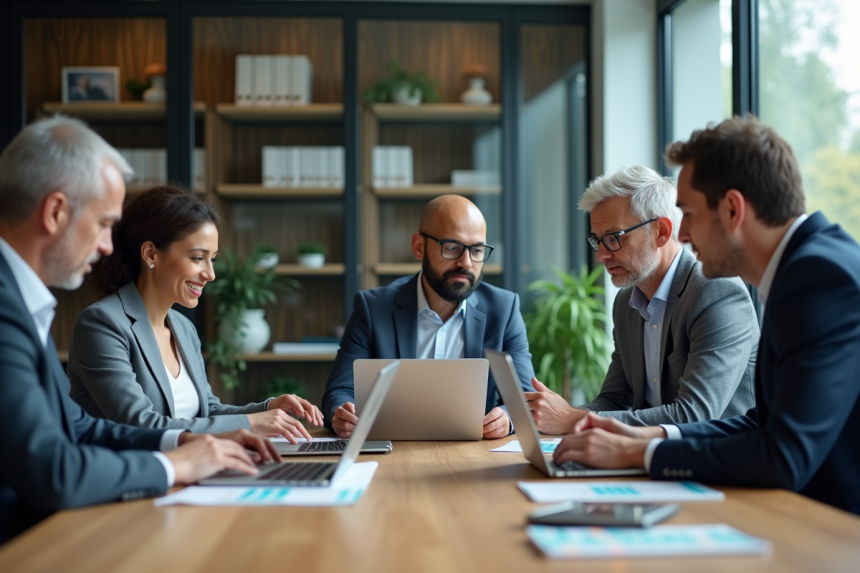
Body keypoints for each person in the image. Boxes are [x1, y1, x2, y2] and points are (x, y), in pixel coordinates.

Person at [551, 116, 860, 515]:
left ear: (733, 209)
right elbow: (760, 423)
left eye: (689, 215)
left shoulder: (819, 279)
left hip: (832, 528)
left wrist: (640, 455)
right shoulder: (804, 270)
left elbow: (785, 455)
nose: (681, 236)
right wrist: (641, 441)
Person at [0, 116, 278, 544]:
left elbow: (81, 428)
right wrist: (177, 464)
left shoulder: (22, 301)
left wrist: (187, 438)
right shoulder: (16, 308)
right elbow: (53, 468)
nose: (110, 245)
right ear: (56, 212)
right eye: (103, 223)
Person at [66, 186, 323, 443]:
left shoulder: (182, 328)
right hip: (130, 479)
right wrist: (250, 423)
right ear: (150, 253)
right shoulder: (103, 324)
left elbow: (207, 412)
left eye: (213, 259)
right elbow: (141, 425)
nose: (210, 274)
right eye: (198, 258)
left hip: (190, 472)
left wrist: (267, 410)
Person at [526, 166, 758, 433]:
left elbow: (695, 415)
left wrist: (573, 420)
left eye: (613, 238)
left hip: (717, 466)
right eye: (597, 240)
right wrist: (562, 416)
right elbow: (614, 400)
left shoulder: (717, 292)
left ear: (661, 231)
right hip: (647, 460)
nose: (601, 255)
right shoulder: (626, 304)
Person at [322, 195, 535, 439]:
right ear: (419, 246)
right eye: (452, 247)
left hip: (473, 452)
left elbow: (526, 398)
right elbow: (339, 390)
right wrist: (341, 413)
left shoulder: (503, 309)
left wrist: (507, 418)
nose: (465, 262)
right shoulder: (372, 308)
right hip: (391, 451)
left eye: (477, 250)